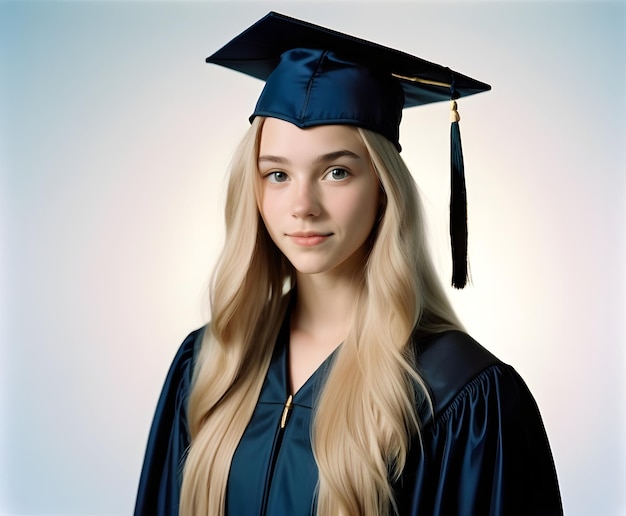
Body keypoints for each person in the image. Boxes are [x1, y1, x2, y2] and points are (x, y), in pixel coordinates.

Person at [135, 12, 563, 516]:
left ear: (384, 188)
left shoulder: (460, 394)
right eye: (276, 174)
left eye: (337, 171)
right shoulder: (209, 363)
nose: (302, 205)